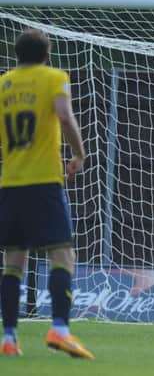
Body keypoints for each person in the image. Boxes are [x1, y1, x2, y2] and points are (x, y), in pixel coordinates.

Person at [0, 29, 94, 359]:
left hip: (10, 183)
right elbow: (65, 117)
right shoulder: (54, 77)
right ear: (46, 54)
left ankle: (10, 337)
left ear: (16, 54)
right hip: (44, 181)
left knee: (13, 261)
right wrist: (79, 154)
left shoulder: (4, 84)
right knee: (62, 255)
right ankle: (60, 329)